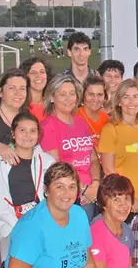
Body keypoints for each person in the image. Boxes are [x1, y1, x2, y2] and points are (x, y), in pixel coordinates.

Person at [0, 112, 55, 262]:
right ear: (13, 133)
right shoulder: (1, 162)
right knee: (15, 266)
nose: (27, 135)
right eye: (22, 130)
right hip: (11, 225)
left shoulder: (48, 162)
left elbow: (54, 196)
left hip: (42, 224)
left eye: (32, 131)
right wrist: (19, 225)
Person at [40, 73, 101, 220]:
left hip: (91, 193)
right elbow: (57, 167)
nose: (68, 99)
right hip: (69, 196)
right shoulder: (47, 126)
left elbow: (92, 159)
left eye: (72, 93)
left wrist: (96, 184)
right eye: (62, 94)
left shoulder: (80, 122)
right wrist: (84, 189)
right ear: (52, 97)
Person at [98, 80, 138, 212]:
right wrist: (130, 199)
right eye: (126, 97)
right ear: (119, 101)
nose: (132, 102)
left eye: (136, 97)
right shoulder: (110, 129)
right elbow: (109, 170)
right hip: (121, 202)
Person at [77, 76, 109, 150]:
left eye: (99, 95)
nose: (95, 99)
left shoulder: (108, 120)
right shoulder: (74, 118)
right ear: (83, 95)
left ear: (105, 97)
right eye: (91, 94)